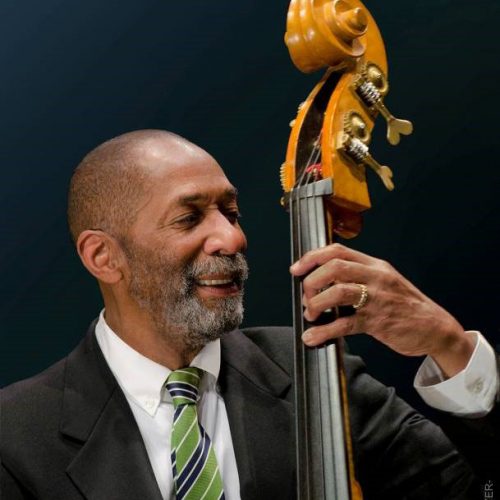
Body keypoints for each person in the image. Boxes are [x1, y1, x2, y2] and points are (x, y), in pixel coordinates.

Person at [0, 130, 491, 499]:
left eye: (231, 214)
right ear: (103, 257)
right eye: (189, 218)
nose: (232, 238)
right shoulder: (16, 437)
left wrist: (450, 345)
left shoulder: (319, 375)